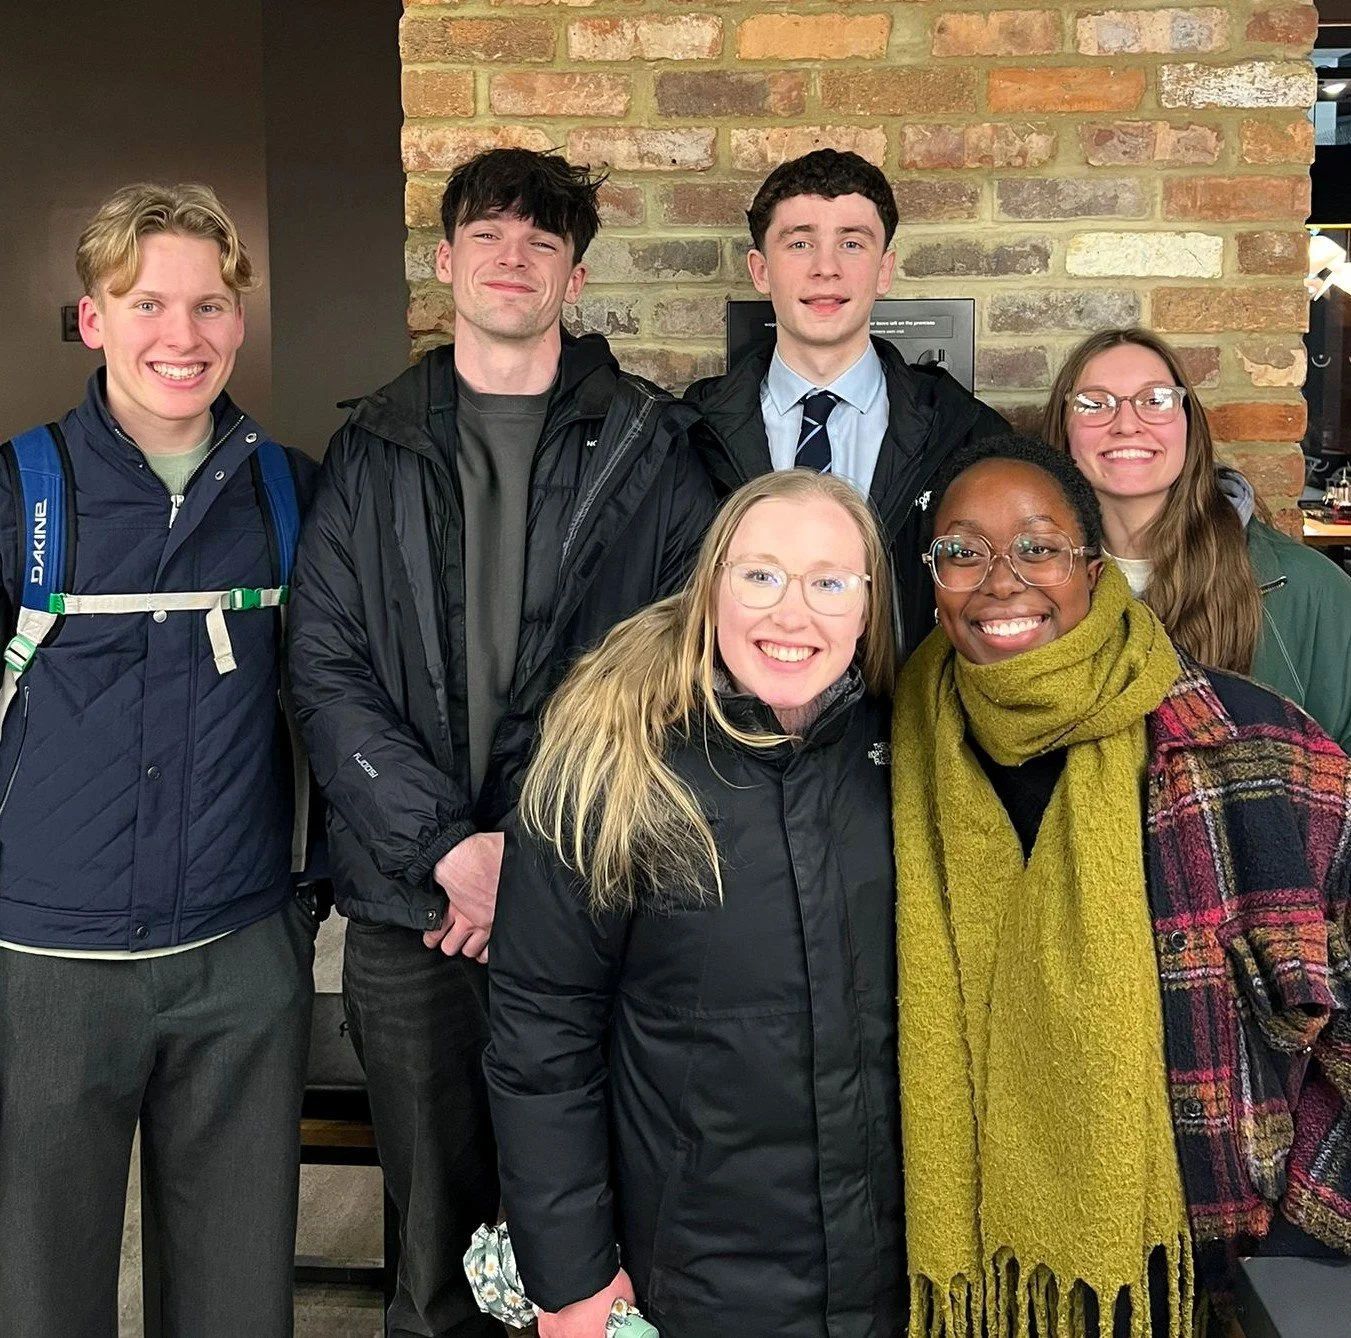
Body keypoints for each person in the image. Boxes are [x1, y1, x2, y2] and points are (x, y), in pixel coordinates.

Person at [287, 147, 715, 1338]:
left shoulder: (653, 446)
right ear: (445, 262)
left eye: (541, 242)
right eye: (488, 235)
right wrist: (446, 848)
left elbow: (676, 671)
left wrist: (531, 859)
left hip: (590, 895)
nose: (511, 259)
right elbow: (322, 666)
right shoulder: (372, 445)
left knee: (590, 1223)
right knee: (430, 1234)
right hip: (410, 909)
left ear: (575, 277)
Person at [893, 434, 1351, 1337]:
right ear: (932, 578)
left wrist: (1301, 1218)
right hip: (962, 1267)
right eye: (962, 551)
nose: (1000, 581)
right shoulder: (891, 751)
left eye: (1038, 546)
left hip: (1216, 1270)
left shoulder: (1245, 746)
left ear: (1093, 569)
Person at [0, 184, 318, 1338]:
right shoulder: (19, 493)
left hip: (240, 955)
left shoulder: (290, 491)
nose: (182, 335)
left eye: (210, 305)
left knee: (237, 1301)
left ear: (240, 320)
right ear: (92, 318)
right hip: (44, 964)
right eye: (147, 304)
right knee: (36, 1294)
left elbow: (337, 699)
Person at [485, 470, 904, 1338]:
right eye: (760, 576)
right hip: (691, 1279)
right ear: (711, 587)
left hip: (891, 1278)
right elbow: (541, 1038)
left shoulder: (908, 754)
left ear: (868, 608)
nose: (792, 613)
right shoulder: (612, 762)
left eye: (829, 582)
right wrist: (571, 1278)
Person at [685, 147, 1008, 658]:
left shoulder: (969, 435)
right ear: (760, 270)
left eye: (852, 243)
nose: (826, 268)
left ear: (884, 269)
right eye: (800, 243)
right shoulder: (690, 435)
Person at [1044, 326, 1351, 751]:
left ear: (1189, 424)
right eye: (1095, 404)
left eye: (1155, 400)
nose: (1127, 424)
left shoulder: (1309, 589)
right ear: (1064, 428)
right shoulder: (1030, 587)